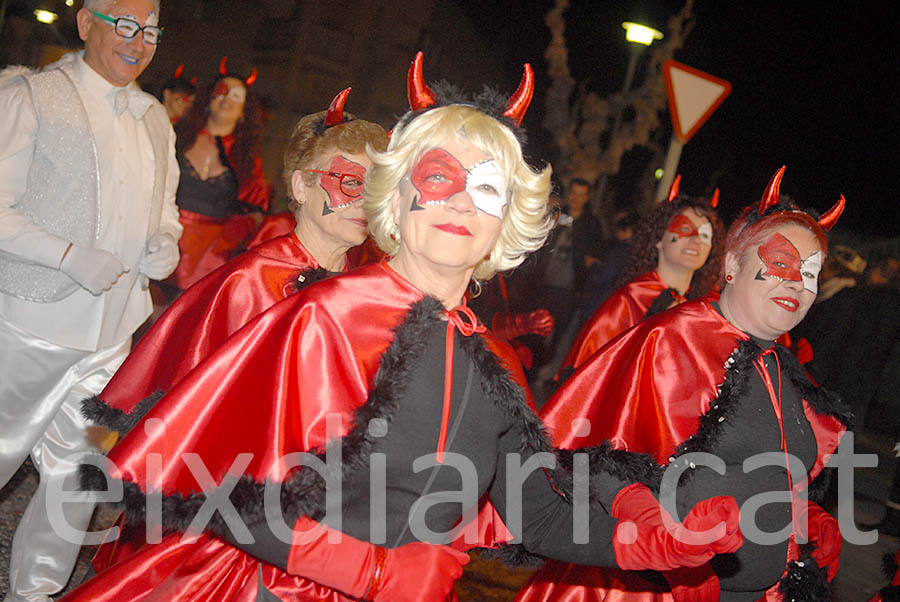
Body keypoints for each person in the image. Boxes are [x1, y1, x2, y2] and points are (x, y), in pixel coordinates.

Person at [64, 52, 742, 602]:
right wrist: (369, 571)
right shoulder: (323, 318)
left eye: (487, 189)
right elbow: (211, 489)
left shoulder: (492, 365)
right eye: (439, 176)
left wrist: (649, 542)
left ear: (508, 222)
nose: (459, 203)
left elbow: (537, 513)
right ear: (399, 195)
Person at [517, 166, 849, 601]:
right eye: (781, 263)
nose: (797, 283)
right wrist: (662, 541)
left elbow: (757, 471)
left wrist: (803, 515)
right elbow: (588, 455)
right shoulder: (673, 338)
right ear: (731, 265)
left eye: (810, 273)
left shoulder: (782, 366)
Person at [0, 0, 181, 600]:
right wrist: (67, 253)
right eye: (125, 26)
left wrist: (166, 245)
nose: (139, 41)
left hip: (111, 337)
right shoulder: (31, 96)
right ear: (86, 25)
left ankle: (36, 591)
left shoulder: (156, 117)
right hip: (28, 323)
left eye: (150, 30)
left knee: (76, 479)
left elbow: (165, 212)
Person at [82, 87, 388, 435]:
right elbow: (195, 418)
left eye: (376, 187)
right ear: (302, 187)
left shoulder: (366, 289)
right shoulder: (249, 282)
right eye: (351, 183)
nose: (365, 201)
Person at [557, 176, 724, 380]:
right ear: (659, 239)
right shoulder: (629, 301)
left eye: (706, 235)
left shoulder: (704, 309)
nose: (696, 240)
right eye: (685, 229)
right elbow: (589, 376)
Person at [166, 57, 271, 292]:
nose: (227, 100)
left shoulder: (247, 159)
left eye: (236, 96)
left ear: (244, 111)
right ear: (208, 99)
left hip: (211, 259)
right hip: (164, 241)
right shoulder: (177, 138)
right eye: (222, 92)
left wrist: (224, 245)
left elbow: (255, 211)